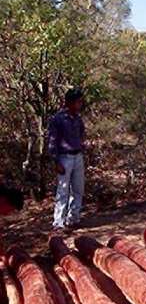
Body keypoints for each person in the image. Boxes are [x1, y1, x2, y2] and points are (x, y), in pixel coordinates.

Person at [47, 88, 86, 231]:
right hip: (64, 158)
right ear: (69, 102)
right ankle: (58, 223)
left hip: (78, 157)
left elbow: (82, 132)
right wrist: (56, 161)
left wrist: (80, 144)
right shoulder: (58, 119)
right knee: (63, 190)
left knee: (78, 189)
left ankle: (74, 219)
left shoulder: (77, 118)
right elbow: (52, 141)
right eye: (78, 102)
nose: (80, 104)